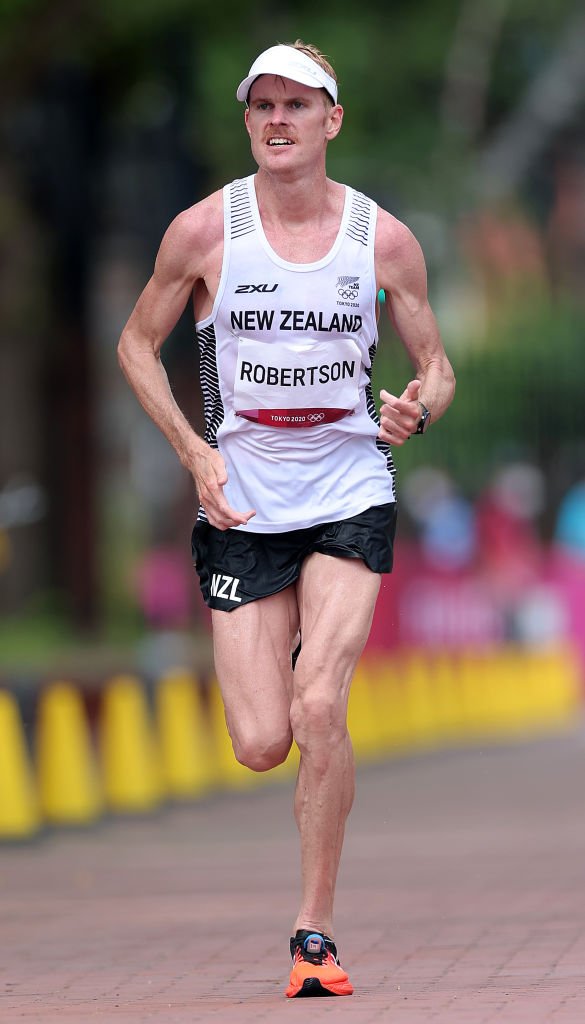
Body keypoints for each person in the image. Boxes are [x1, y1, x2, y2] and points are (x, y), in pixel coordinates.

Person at [117, 39, 455, 998]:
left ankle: (315, 931)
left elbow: (436, 367)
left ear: (330, 122)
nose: (277, 120)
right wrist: (195, 450)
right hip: (245, 502)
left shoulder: (381, 240)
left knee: (319, 707)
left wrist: (416, 409)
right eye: (262, 105)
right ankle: (295, 702)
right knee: (263, 740)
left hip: (350, 489)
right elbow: (136, 347)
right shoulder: (202, 232)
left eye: (296, 106)